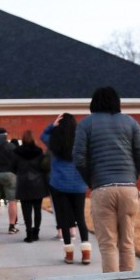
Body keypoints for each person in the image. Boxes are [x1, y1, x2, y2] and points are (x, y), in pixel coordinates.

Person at [73, 86, 140, 280]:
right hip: (128, 189)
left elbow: (78, 158)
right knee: (127, 241)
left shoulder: (86, 124)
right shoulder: (131, 122)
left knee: (108, 243)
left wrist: (92, 180)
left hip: (102, 188)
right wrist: (131, 177)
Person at [42, 113, 91, 264]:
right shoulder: (81, 142)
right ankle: (86, 253)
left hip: (59, 184)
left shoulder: (54, 141)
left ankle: (69, 254)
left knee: (63, 219)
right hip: (78, 185)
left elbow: (43, 135)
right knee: (80, 218)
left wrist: (53, 124)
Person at [13, 130, 48, 243]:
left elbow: (12, 167)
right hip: (38, 183)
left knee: (26, 209)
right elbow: (43, 167)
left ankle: (28, 234)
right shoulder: (39, 152)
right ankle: (36, 233)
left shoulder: (16, 152)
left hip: (23, 183)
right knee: (37, 209)